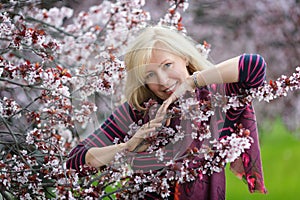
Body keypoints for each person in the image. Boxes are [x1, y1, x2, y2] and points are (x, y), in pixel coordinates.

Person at [67, 25, 267, 199]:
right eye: (150, 74)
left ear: (185, 58)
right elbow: (75, 161)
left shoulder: (216, 101)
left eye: (167, 65)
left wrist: (191, 81)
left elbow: (254, 66)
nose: (162, 81)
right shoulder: (138, 112)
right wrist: (127, 146)